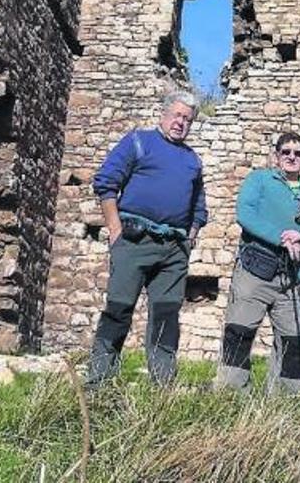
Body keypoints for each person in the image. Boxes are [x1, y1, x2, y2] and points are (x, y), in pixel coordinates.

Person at [85, 91, 207, 388]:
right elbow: (106, 182)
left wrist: (188, 240)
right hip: (134, 240)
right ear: (164, 114)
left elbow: (199, 208)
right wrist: (115, 229)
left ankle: (162, 385)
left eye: (187, 119)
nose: (181, 123)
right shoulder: (138, 142)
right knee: (119, 308)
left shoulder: (193, 160)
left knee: (166, 315)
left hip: (174, 249)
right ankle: (99, 381)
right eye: (177, 115)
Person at [215, 132, 300, 394]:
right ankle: (230, 397)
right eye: (286, 152)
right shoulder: (259, 180)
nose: (292, 157)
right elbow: (245, 214)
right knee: (239, 333)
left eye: (298, 153)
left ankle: (282, 402)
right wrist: (281, 238)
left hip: (294, 278)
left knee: (294, 343)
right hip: (256, 270)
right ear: (276, 155)